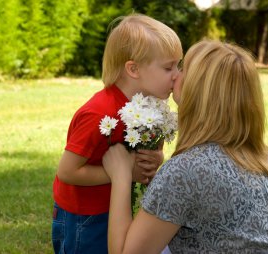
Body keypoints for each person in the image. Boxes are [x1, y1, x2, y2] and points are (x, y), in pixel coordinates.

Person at [102, 40, 268, 253]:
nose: (175, 74)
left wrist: (121, 174)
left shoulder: (186, 170)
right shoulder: (256, 156)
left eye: (184, 69)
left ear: (198, 89)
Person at [51, 14, 182, 254]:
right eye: (168, 67)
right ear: (133, 69)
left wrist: (154, 159)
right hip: (85, 217)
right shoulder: (99, 113)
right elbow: (67, 171)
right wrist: (124, 172)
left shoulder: (152, 108)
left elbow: (148, 152)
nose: (177, 75)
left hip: (116, 209)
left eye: (178, 65)